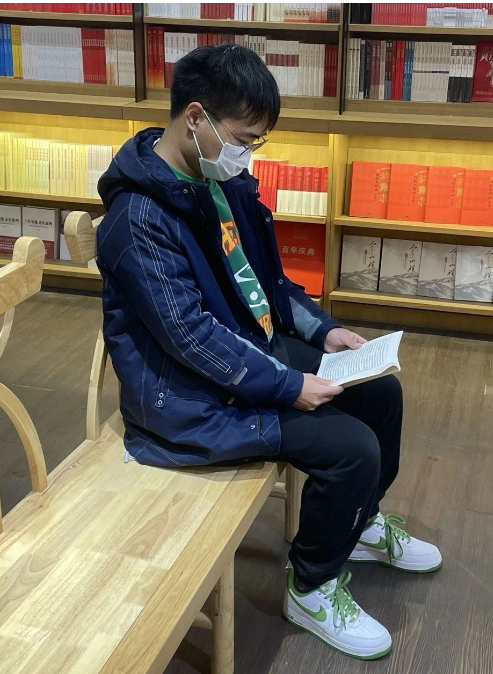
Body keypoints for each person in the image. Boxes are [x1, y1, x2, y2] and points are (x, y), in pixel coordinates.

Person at [96, 44, 442, 660]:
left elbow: (269, 283)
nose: (248, 154)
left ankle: (359, 525)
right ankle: (311, 587)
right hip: (188, 399)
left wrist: (324, 333)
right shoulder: (138, 217)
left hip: (249, 355)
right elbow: (189, 337)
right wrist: (288, 385)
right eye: (243, 138)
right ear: (196, 117)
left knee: (380, 393)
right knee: (351, 448)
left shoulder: (218, 181)